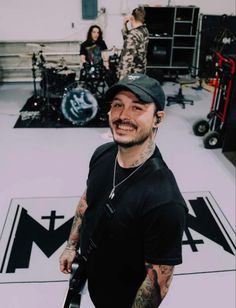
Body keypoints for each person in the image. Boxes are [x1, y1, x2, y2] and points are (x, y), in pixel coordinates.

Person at [59, 73, 187, 308]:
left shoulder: (164, 200)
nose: (123, 116)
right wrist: (71, 245)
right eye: (118, 105)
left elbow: (157, 283)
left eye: (137, 108)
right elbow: (88, 200)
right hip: (93, 276)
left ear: (158, 119)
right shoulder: (103, 154)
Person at [117, 6, 149, 80]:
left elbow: (126, 60)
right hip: (141, 71)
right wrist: (125, 25)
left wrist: (122, 79)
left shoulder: (132, 35)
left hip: (132, 75)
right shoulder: (144, 30)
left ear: (132, 18)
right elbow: (128, 40)